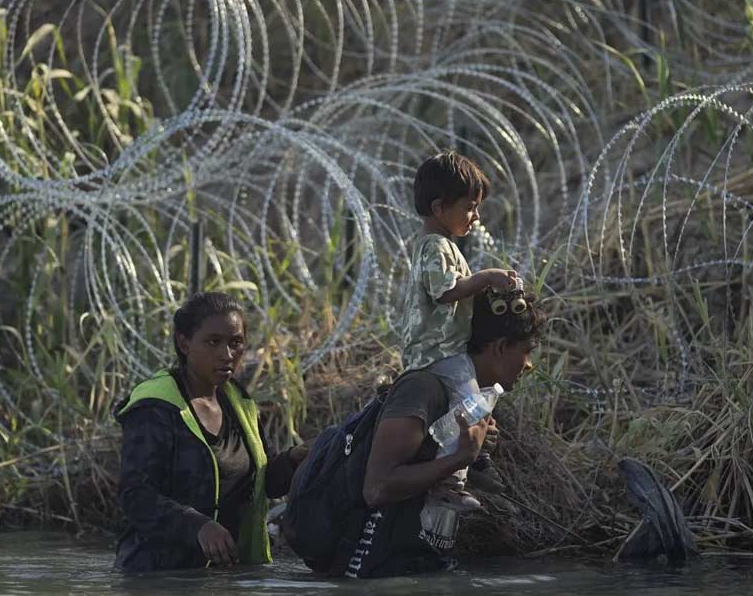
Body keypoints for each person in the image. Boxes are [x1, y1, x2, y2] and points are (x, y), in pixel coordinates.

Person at [348, 291, 545, 578]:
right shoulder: (424, 389)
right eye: (527, 350)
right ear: (501, 347)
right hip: (372, 572)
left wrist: (473, 454)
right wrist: (462, 457)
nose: (529, 365)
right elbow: (377, 488)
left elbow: (426, 469)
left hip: (418, 569)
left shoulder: (471, 398)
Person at [113, 292, 308, 572]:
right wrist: (198, 526)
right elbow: (135, 496)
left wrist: (295, 459)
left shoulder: (238, 402)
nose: (227, 354)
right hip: (157, 575)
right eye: (213, 342)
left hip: (226, 574)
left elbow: (264, 481)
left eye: (236, 342)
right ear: (184, 343)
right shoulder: (156, 408)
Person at [401, 150, 521, 510]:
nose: (476, 216)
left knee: (478, 403)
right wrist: (486, 277)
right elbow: (446, 291)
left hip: (445, 349)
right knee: (470, 406)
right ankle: (449, 482)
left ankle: (476, 462)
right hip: (436, 351)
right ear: (440, 208)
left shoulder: (441, 245)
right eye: (470, 207)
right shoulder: (434, 246)